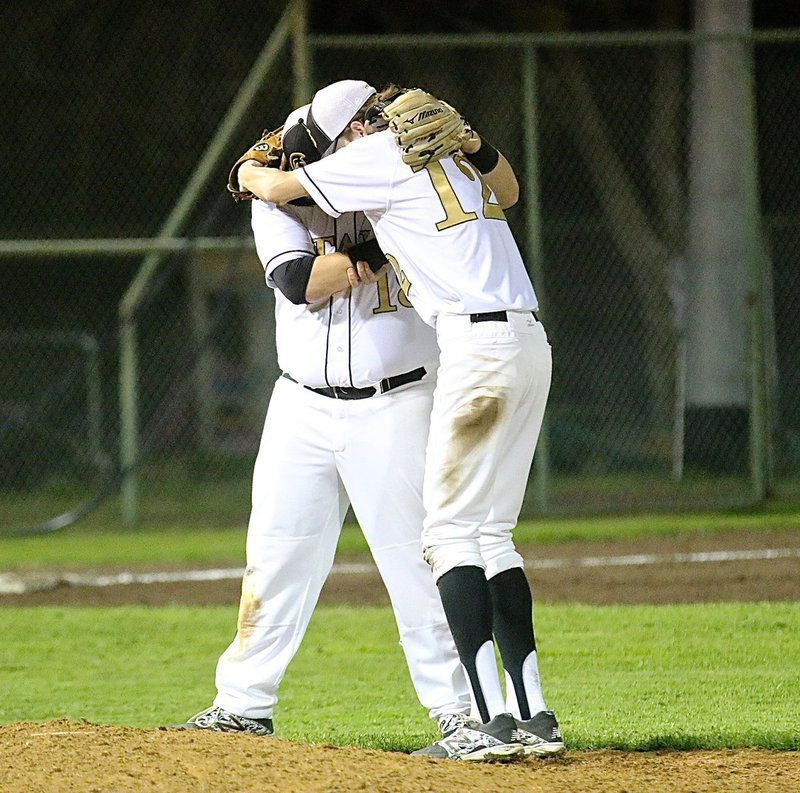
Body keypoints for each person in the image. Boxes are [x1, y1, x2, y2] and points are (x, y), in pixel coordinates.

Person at [237, 83, 565, 761]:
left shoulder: (376, 157)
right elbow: (509, 188)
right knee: (491, 534)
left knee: (445, 537)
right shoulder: (449, 160)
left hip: (472, 353)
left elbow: (274, 189)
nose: (370, 126)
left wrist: (248, 170)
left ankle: (482, 724)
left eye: (368, 119)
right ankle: (532, 716)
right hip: (526, 341)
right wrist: (474, 138)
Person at [178, 80, 473, 742]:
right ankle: (243, 703)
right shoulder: (276, 199)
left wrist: (381, 243)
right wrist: (380, 250)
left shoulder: (405, 185)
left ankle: (463, 711)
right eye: (299, 148)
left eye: (319, 145)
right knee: (276, 554)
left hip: (399, 401)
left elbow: (490, 199)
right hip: (301, 407)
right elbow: (297, 282)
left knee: (416, 560)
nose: (298, 159)